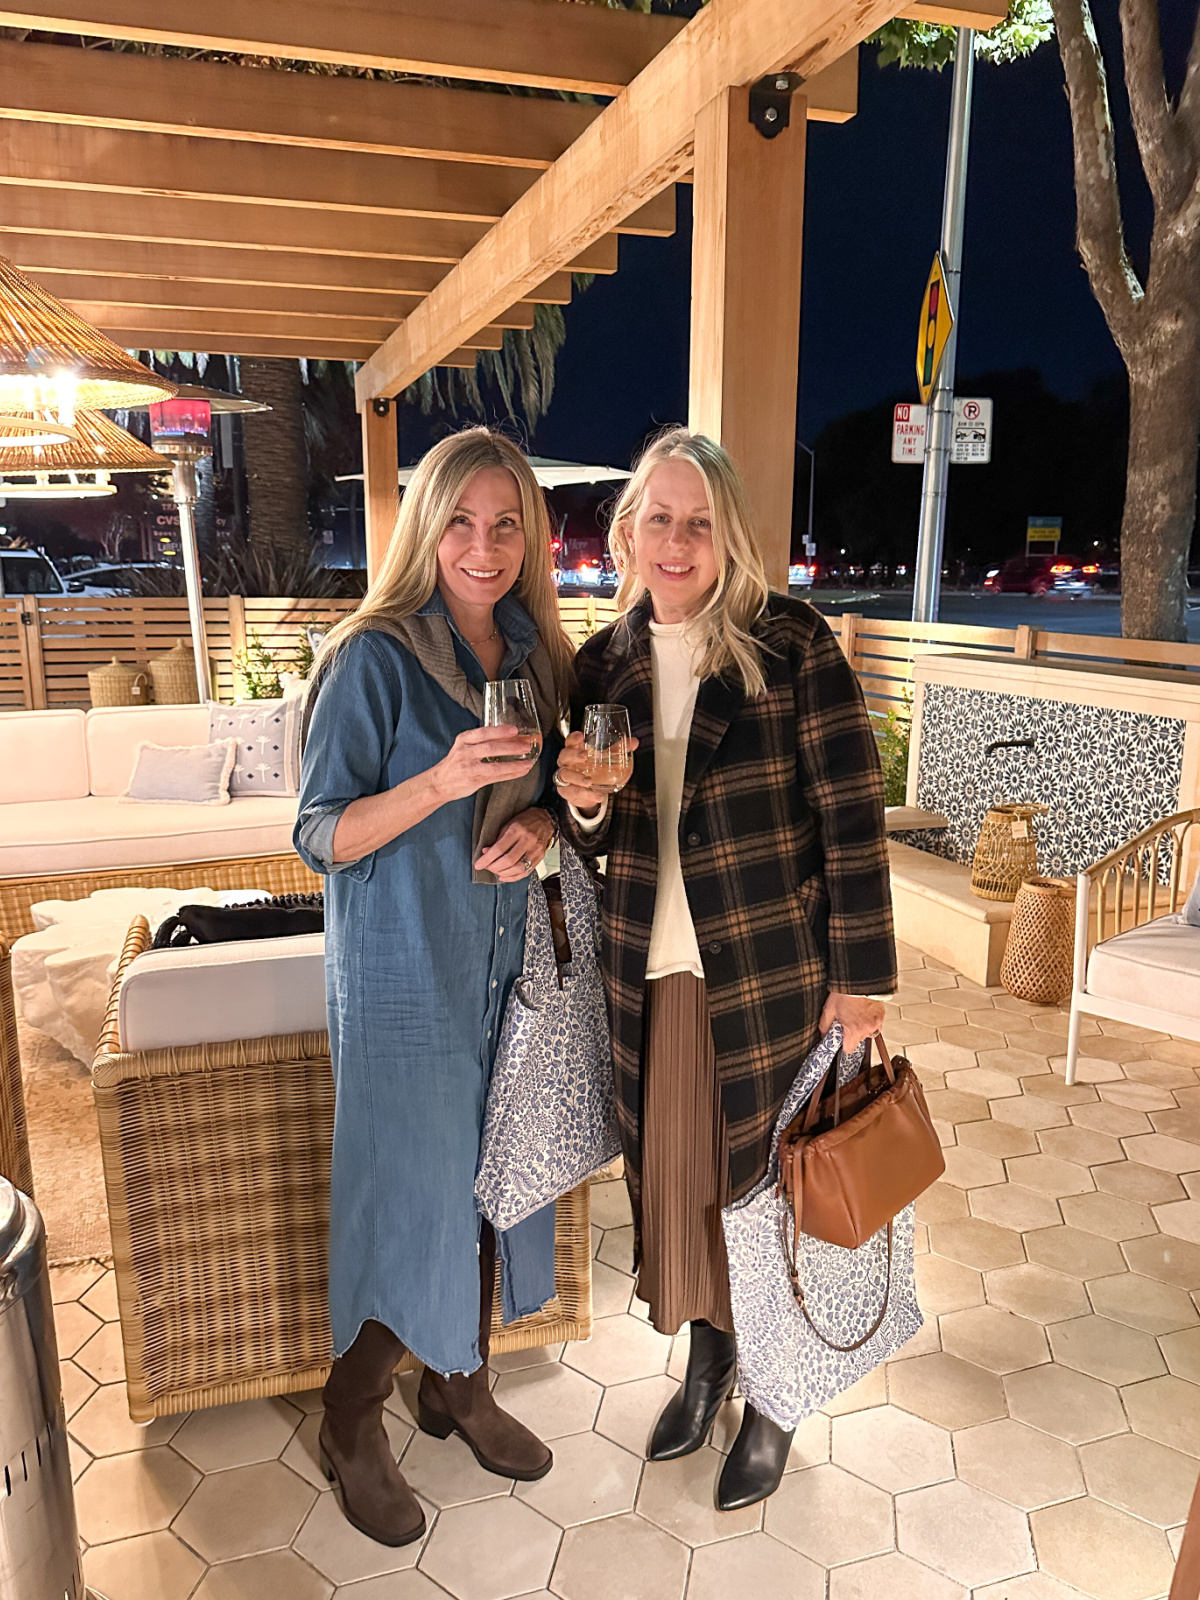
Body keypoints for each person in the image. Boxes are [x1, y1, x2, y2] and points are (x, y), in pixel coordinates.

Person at [555, 428, 897, 1511]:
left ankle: (778, 1400)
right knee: (684, 1190)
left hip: (765, 977)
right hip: (647, 978)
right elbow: (594, 837)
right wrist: (588, 805)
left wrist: (863, 978)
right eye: (658, 518)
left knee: (769, 1194)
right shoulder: (600, 662)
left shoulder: (788, 645)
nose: (677, 539)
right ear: (628, 533)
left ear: (729, 534)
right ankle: (708, 1359)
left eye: (698, 520)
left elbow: (851, 819)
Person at [295, 428, 575, 1547]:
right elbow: (320, 834)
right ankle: (349, 1416)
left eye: (507, 523)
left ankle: (458, 1384)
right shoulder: (371, 658)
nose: (483, 544)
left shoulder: (535, 655)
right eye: (460, 519)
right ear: (426, 527)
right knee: (403, 1193)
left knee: (497, 1181)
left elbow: (551, 801)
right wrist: (440, 779)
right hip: (405, 978)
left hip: (509, 971)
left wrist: (549, 816)